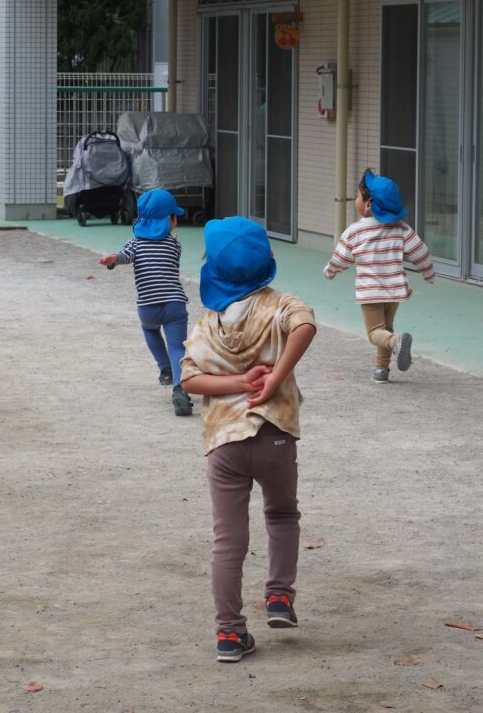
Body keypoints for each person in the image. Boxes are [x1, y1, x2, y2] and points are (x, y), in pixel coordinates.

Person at [180, 216, 316, 663]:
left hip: (225, 443)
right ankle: (278, 597)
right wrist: (275, 378)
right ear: (269, 259)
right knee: (282, 514)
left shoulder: (206, 324)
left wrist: (238, 382)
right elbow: (305, 326)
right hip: (275, 435)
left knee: (228, 540)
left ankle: (229, 634)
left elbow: (189, 381)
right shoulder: (281, 305)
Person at [323, 169, 435, 383]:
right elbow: (421, 254)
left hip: (370, 292)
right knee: (386, 327)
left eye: (358, 196)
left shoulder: (355, 231)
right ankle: (381, 370)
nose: (355, 200)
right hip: (394, 291)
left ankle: (395, 342)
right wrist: (428, 273)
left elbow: (342, 257)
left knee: (375, 332)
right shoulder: (402, 229)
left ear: (368, 204)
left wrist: (331, 270)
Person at [99, 188, 193, 417]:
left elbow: (123, 257)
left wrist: (113, 259)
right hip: (174, 304)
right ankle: (179, 389)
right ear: (170, 220)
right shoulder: (174, 244)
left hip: (148, 306)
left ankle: (165, 368)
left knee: (150, 330)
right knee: (177, 347)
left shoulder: (136, 243)